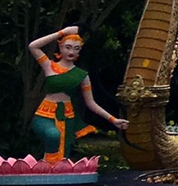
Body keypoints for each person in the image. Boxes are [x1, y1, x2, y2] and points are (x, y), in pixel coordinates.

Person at [26, 26, 123, 162]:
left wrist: (113, 120)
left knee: (64, 152)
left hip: (67, 117)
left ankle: (56, 175)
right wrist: (62, 33)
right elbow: (33, 46)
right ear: (60, 48)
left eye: (76, 48)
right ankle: (48, 168)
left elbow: (91, 103)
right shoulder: (50, 66)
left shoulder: (81, 75)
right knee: (53, 135)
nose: (71, 51)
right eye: (68, 47)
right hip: (45, 114)